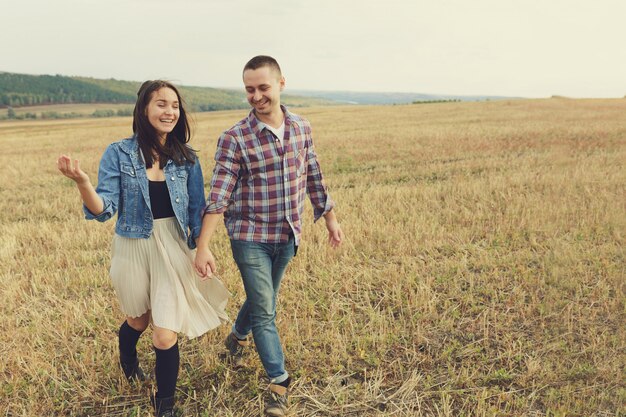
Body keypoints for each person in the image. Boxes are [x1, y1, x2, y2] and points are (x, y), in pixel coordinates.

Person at [57, 80, 229, 417]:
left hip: (173, 247)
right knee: (137, 320)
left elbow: (198, 210)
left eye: (175, 106)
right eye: (161, 104)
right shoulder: (118, 153)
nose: (169, 111)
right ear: (144, 109)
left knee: (165, 334)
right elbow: (103, 209)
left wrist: (202, 248)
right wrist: (83, 184)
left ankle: (164, 406)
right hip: (133, 245)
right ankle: (128, 359)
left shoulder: (186, 158)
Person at [194, 56, 344, 417]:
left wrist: (330, 220)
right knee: (265, 310)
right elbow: (219, 195)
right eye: (249, 89)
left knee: (264, 297)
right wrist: (203, 246)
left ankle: (237, 337)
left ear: (281, 84)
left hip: (289, 233)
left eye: (263, 87)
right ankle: (279, 383)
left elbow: (314, 175)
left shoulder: (301, 128)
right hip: (249, 236)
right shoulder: (235, 138)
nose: (256, 96)